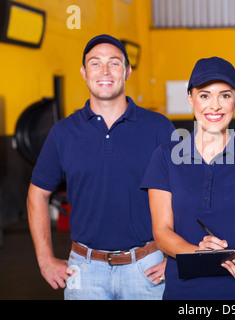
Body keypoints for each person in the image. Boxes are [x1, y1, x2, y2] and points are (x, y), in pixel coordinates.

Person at [27, 34, 176, 300]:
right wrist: (44, 259)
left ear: (128, 71)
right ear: (84, 72)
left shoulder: (158, 127)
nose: (104, 71)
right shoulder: (63, 132)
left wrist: (177, 260)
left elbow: (185, 192)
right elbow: (37, 194)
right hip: (84, 272)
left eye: (114, 63)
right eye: (95, 63)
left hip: (147, 267)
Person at [140, 57, 235, 299]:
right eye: (205, 95)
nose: (215, 106)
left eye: (225, 95)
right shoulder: (165, 157)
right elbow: (162, 232)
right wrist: (197, 252)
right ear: (191, 98)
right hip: (184, 293)